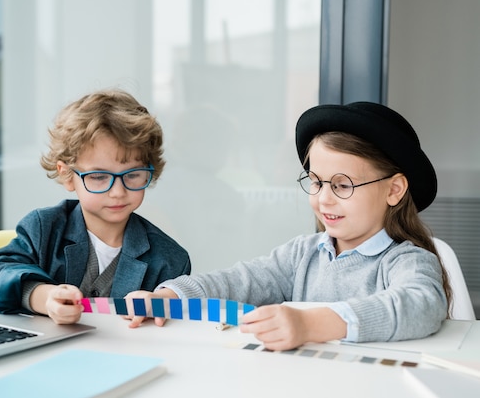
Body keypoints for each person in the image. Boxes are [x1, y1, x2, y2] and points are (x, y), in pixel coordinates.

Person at [125, 102, 450, 351]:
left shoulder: (408, 260)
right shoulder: (301, 255)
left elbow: (420, 304)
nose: (324, 199)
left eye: (342, 185)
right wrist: (172, 295)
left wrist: (311, 323)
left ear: (393, 190)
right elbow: (241, 281)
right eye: (316, 182)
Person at [0, 89, 191, 325]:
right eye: (98, 176)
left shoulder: (170, 260)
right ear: (67, 175)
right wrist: (42, 297)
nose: (118, 191)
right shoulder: (44, 228)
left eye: (133, 175)